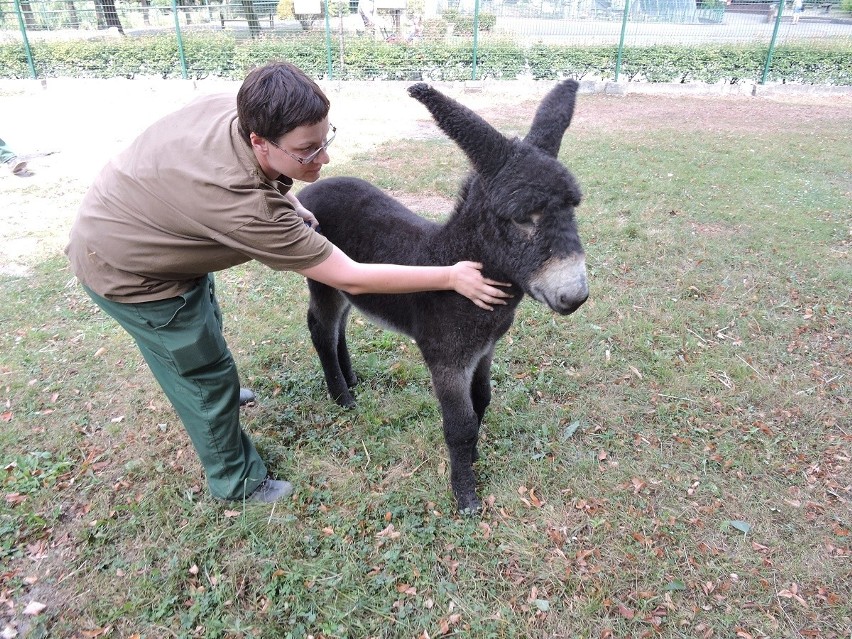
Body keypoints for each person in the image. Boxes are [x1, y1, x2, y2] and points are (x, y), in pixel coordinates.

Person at [65, 62, 511, 504]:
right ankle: (236, 479)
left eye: (324, 139)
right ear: (260, 140)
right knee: (200, 369)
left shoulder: (240, 110)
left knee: (203, 317)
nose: (324, 158)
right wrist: (451, 275)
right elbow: (350, 278)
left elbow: (249, 178)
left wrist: (285, 192)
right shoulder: (247, 210)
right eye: (307, 151)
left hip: (155, 224)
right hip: (126, 265)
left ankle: (212, 384)